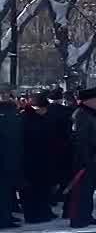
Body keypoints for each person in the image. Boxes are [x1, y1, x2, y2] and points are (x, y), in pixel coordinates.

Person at [67, 87, 96, 228]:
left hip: (92, 157)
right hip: (83, 159)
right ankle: (78, 218)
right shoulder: (80, 115)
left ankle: (86, 215)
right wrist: (85, 158)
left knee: (88, 190)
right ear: (88, 101)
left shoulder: (88, 114)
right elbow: (79, 139)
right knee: (80, 191)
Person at [19, 94, 56, 223]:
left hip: (40, 160)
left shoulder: (35, 118)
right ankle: (34, 215)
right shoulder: (27, 120)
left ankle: (42, 212)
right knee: (32, 190)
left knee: (42, 188)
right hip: (31, 160)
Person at [0, 89, 21, 229]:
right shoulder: (9, 119)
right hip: (7, 159)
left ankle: (6, 216)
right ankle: (5, 217)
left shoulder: (9, 118)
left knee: (6, 192)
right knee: (5, 192)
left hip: (8, 159)